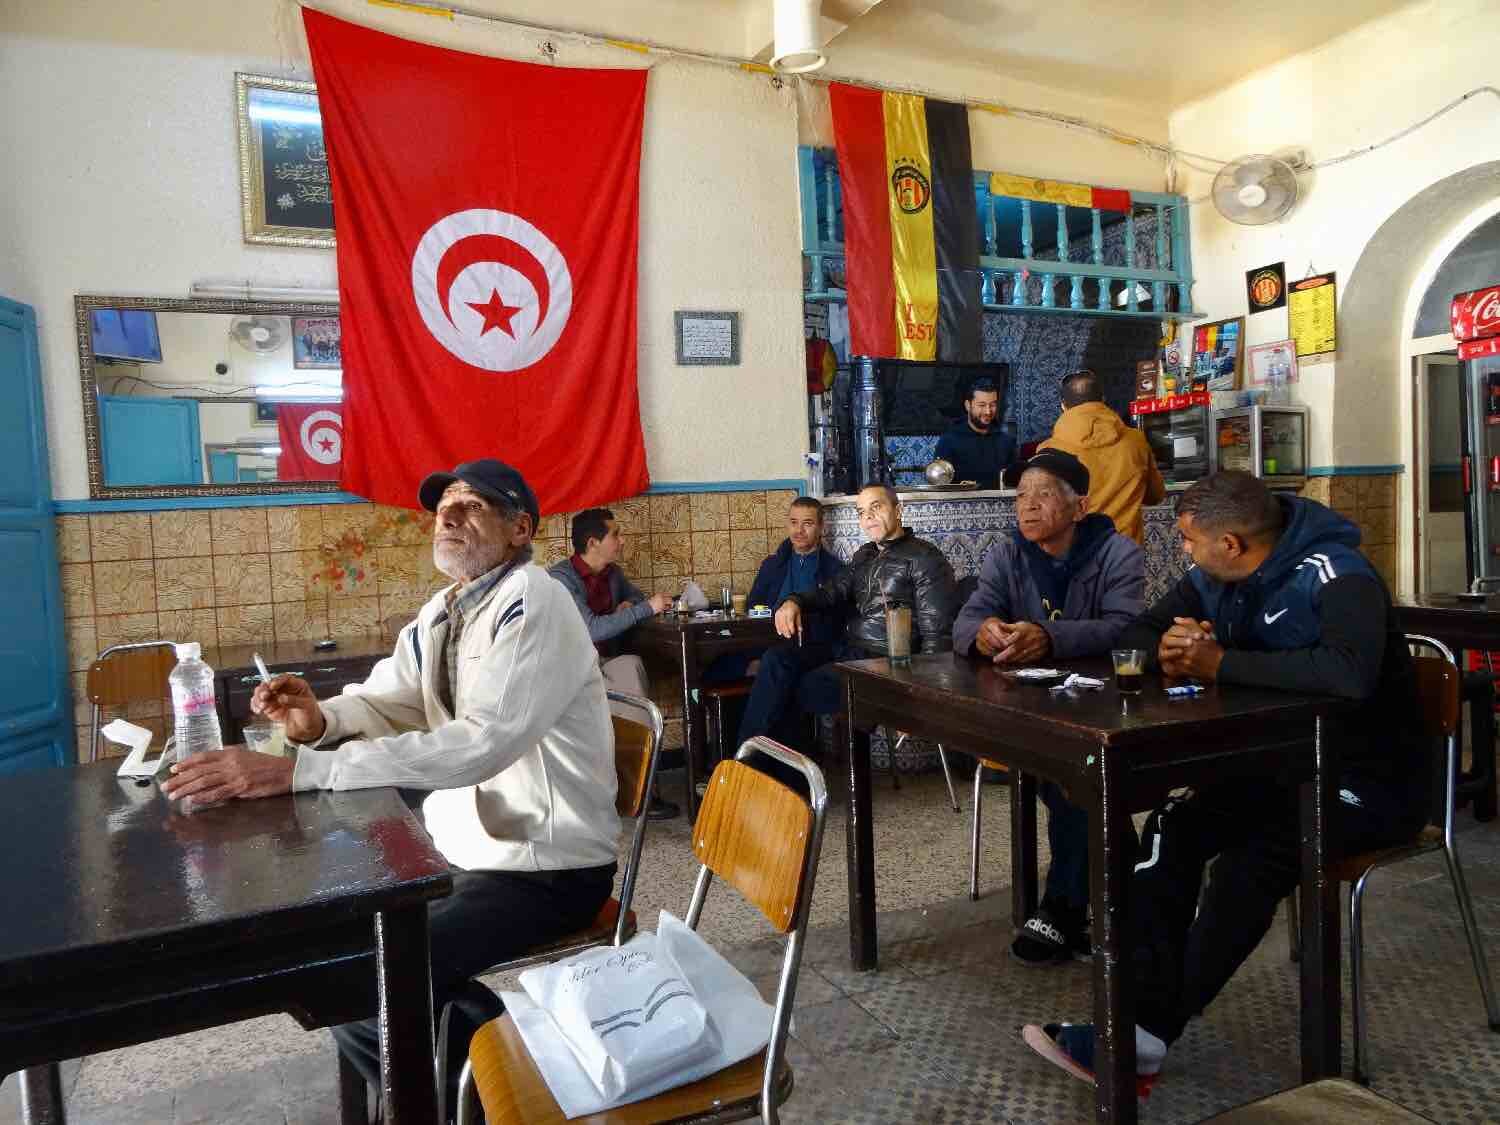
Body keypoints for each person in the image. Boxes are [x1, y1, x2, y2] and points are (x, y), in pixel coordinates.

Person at [161, 459, 621, 1112]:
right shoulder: (446, 610)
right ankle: (477, 1087)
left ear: (521, 528)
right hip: (467, 854)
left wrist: (304, 772)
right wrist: (319, 719)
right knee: (355, 959)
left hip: (546, 865)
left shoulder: (536, 603)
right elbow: (390, 697)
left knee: (366, 980)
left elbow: (479, 746)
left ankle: (499, 1095)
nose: (450, 516)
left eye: (473, 505)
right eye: (444, 506)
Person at [1023, 470, 1428, 1091]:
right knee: (1172, 827)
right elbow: (1138, 633)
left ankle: (1144, 1038)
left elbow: (1349, 675)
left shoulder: (1337, 573)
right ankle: (1133, 1028)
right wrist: (1171, 649)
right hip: (1282, 768)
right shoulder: (1213, 579)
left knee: (1250, 863)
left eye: (1188, 541)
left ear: (1232, 543)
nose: (1183, 551)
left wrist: (1221, 662)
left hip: (1369, 783)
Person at [953, 449, 1144, 965]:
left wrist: (1049, 637)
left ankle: (1062, 909)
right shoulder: (1007, 555)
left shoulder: (1117, 553)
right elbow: (967, 620)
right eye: (1020, 496)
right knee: (1068, 787)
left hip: (1104, 705)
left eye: (1042, 495)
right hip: (1033, 708)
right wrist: (985, 635)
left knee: (1070, 785)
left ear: (1078, 507)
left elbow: (1126, 628)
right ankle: (1123, 882)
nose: (1027, 507)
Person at [736, 483, 956, 750]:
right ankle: (748, 764)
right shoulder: (864, 555)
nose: (869, 517)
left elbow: (938, 634)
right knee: (777, 661)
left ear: (899, 511)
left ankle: (773, 772)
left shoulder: (925, 558)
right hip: (849, 651)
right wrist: (794, 601)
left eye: (877, 507)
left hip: (887, 662)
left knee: (795, 688)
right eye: (862, 512)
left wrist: (921, 696)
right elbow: (830, 592)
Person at [548, 507, 679, 819]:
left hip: (606, 661)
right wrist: (643, 608)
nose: (621, 541)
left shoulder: (613, 575)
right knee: (608, 697)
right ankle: (609, 791)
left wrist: (630, 606)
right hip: (571, 670)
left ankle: (644, 791)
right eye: (616, 534)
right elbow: (591, 628)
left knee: (632, 668)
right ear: (593, 542)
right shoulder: (560, 579)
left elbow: (635, 598)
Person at [707, 496, 845, 682]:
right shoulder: (772, 565)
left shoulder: (834, 570)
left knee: (772, 665)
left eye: (808, 523)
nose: (799, 530)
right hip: (762, 642)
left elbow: (833, 625)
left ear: (821, 527)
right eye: (794, 522)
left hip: (806, 647)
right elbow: (753, 608)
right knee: (714, 667)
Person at [1040, 369, 1164, 544]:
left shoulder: (1048, 450)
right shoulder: (1136, 441)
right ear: (1103, 400)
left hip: (1074, 554)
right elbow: (1155, 495)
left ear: (1063, 406)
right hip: (1124, 552)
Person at [935, 377, 1014, 489]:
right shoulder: (948, 441)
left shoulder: (1006, 441)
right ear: (968, 405)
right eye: (982, 405)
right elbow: (940, 484)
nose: (988, 411)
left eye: (992, 405)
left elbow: (1015, 484)